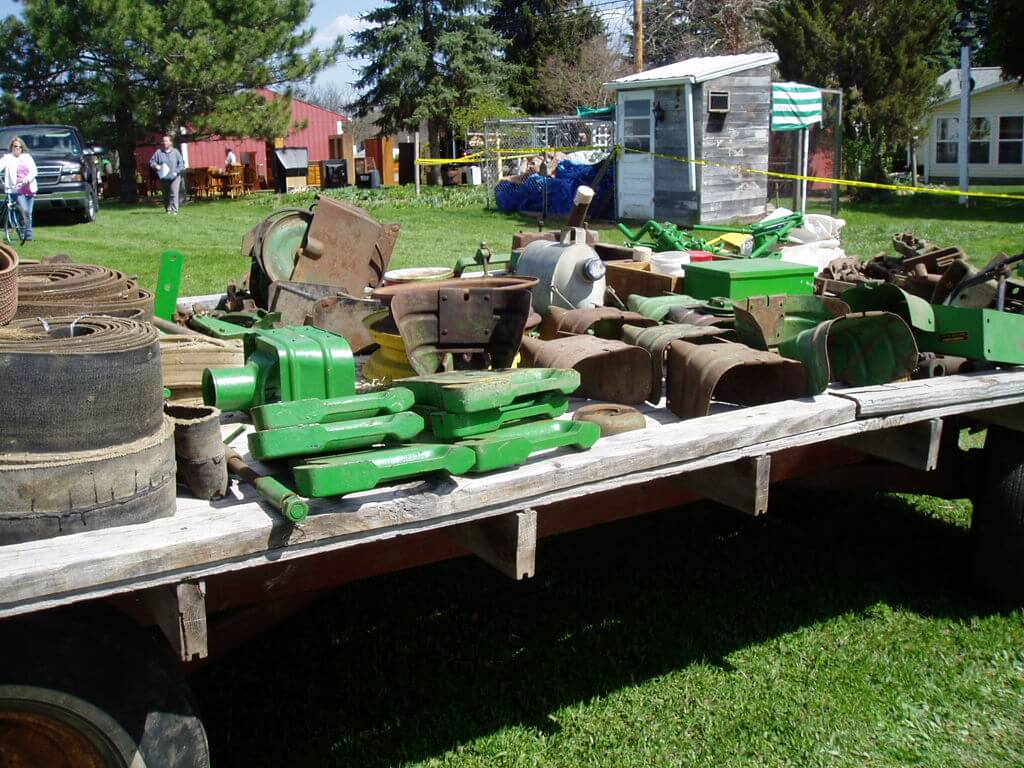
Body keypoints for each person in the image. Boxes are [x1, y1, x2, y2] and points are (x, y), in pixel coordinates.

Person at [1, 136, 38, 241]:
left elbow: (34, 171)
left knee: (28, 212)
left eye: (20, 146)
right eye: (15, 146)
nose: (17, 148)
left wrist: (27, 179)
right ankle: (22, 233)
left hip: (29, 188)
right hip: (16, 189)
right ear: (12, 147)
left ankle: (28, 236)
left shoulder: (27, 157)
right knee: (24, 210)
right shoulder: (8, 158)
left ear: (22, 148)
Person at [149, 134, 185, 214]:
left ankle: (174, 210)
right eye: (163, 141)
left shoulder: (175, 152)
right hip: (164, 177)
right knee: (165, 194)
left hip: (175, 177)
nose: (164, 142)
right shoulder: (158, 152)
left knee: (173, 193)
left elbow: (181, 163)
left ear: (170, 142)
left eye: (166, 141)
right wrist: (156, 166)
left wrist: (177, 171)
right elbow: (152, 162)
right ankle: (168, 209)